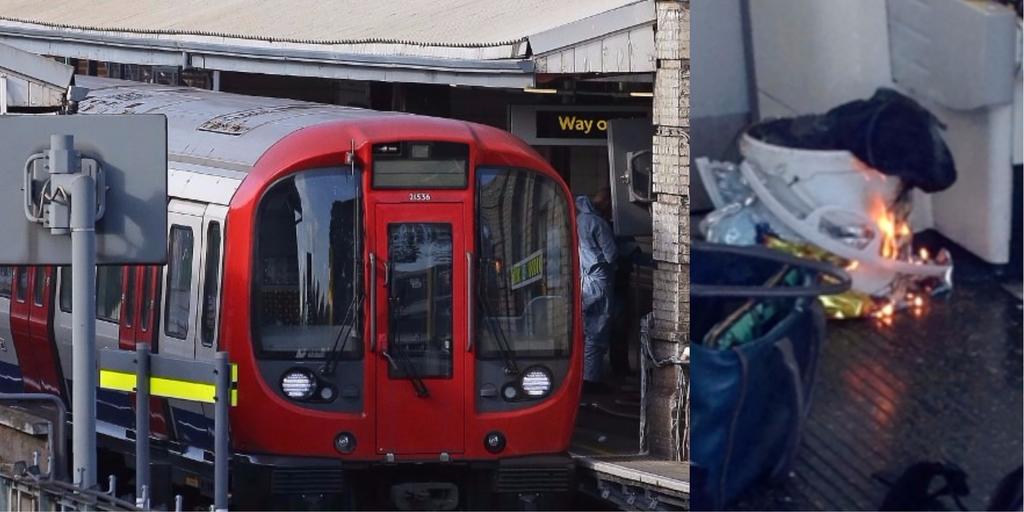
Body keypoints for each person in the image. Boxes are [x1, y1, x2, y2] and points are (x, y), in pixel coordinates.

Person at [576, 189, 617, 392]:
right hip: (599, 279)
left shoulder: (579, 220)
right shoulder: (598, 223)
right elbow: (611, 254)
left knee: (585, 329)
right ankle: (591, 380)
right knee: (597, 330)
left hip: (584, 280)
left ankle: (582, 375)